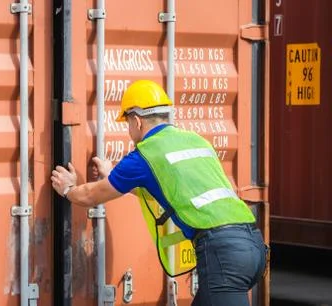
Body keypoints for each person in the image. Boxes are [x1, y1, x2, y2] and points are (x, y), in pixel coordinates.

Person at [51, 80, 267, 306]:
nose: (129, 130)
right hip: (253, 245)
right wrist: (113, 173)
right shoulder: (195, 140)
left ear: (136, 121)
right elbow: (166, 191)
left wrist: (68, 188)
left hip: (223, 255)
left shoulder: (145, 154)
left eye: (127, 123)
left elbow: (90, 196)